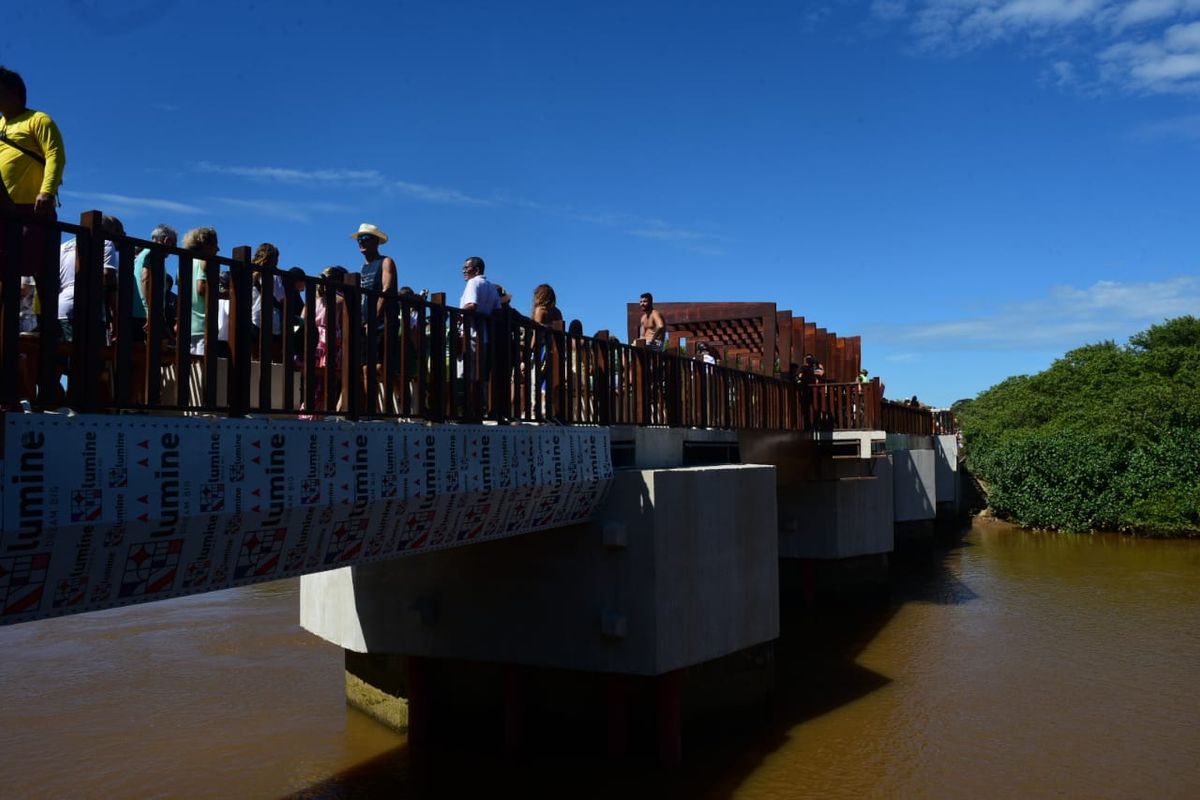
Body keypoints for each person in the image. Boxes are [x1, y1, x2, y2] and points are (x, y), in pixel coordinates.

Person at [0, 66, 66, 284]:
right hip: (4, 208)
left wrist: (47, 191)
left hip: (31, 208)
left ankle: (43, 317)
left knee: (34, 269)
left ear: (12, 92)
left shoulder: (38, 119)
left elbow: (55, 155)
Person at [58, 214, 123, 343]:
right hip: (89, 309)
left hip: (61, 308)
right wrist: (116, 315)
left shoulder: (63, 247)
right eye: (121, 233)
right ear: (113, 232)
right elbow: (107, 276)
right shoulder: (106, 242)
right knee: (91, 357)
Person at [133, 224, 177, 341]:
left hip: (136, 314)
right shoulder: (153, 253)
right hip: (146, 316)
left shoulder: (140, 256)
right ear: (167, 241)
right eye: (174, 245)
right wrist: (151, 312)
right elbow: (146, 278)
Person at [183, 226, 219, 355]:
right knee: (205, 367)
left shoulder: (185, 263)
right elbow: (201, 288)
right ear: (206, 244)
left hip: (187, 324)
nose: (218, 249)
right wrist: (220, 294)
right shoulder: (203, 262)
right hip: (203, 324)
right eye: (215, 244)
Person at [351, 223, 396, 327]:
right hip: (365, 323)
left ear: (376, 241)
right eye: (359, 239)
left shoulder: (386, 261)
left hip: (382, 324)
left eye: (366, 237)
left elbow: (386, 290)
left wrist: (373, 319)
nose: (361, 241)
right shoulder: (363, 267)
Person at [250, 242, 283, 358]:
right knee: (270, 361)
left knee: (253, 360)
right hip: (271, 323)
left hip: (253, 321)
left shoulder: (249, 272)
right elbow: (281, 299)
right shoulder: (275, 275)